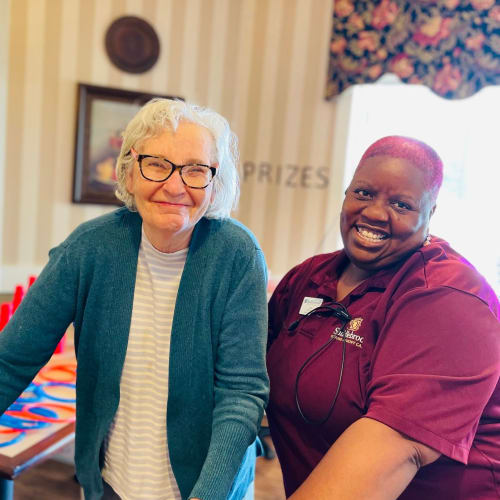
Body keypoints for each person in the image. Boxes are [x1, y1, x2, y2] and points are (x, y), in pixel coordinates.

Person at [0, 99, 269, 500]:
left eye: (196, 169)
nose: (176, 186)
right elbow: (13, 358)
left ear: (215, 183)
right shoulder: (89, 248)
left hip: (208, 488)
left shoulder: (237, 255)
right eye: (157, 164)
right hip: (111, 483)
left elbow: (241, 392)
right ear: (129, 169)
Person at [266, 136, 500, 500]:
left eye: (400, 204)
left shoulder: (451, 297)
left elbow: (393, 446)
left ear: (430, 213)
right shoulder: (307, 279)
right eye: (363, 193)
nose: (375, 213)